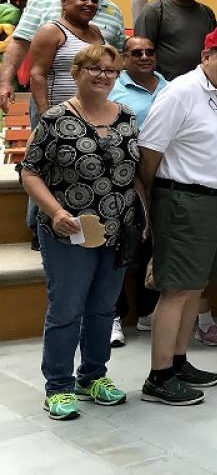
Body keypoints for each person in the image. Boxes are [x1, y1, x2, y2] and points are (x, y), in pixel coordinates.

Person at [20, 45, 140, 420]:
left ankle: (93, 376)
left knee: (104, 308)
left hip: (116, 229)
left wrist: (144, 217)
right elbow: (29, 171)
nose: (103, 75)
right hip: (67, 232)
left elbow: (135, 174)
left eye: (110, 70)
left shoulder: (127, 118)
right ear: (76, 71)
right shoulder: (55, 119)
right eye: (94, 68)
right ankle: (58, 385)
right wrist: (54, 211)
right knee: (67, 309)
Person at [137, 26, 217, 407]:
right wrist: (156, 204)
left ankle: (179, 361)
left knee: (196, 287)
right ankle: (158, 376)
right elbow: (149, 153)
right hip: (183, 199)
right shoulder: (182, 91)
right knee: (177, 289)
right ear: (205, 57)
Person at [0, 0, 125, 113]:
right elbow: (20, 43)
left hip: (98, 105)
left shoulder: (114, 11)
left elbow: (118, 58)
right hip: (49, 103)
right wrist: (5, 82)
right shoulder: (41, 1)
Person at [108, 36, 168, 346]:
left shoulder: (171, 88)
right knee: (122, 248)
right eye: (136, 53)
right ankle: (114, 316)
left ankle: (147, 312)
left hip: (167, 180)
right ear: (124, 58)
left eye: (149, 51)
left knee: (154, 248)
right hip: (126, 181)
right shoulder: (114, 91)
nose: (144, 57)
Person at [26, 0, 106, 115]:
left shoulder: (96, 31)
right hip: (60, 115)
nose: (90, 3)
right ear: (64, 2)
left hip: (95, 114)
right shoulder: (51, 31)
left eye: (95, 0)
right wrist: (46, 115)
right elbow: (37, 74)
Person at [134, 0, 217, 80]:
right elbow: (140, 54)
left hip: (200, 87)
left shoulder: (207, 13)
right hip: (165, 87)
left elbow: (213, 52)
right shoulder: (155, 10)